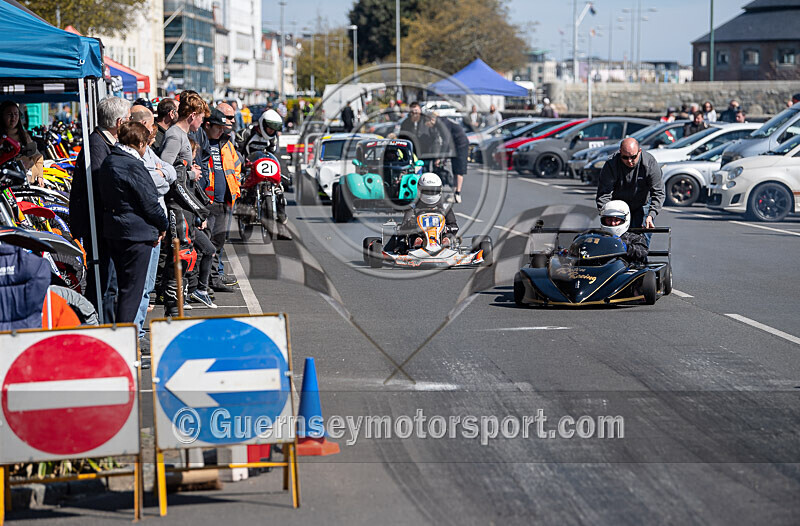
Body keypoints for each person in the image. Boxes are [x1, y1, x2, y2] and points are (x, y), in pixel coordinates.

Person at [98, 121, 168, 323]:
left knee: (121, 287)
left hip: (114, 230)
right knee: (132, 292)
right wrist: (163, 225)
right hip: (136, 233)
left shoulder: (110, 161)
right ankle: (126, 339)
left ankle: (119, 335)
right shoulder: (133, 165)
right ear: (138, 142)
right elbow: (150, 203)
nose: (147, 148)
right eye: (146, 143)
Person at [69, 96, 131, 321]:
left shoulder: (106, 142)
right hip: (98, 225)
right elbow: (101, 183)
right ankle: (99, 327)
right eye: (129, 119)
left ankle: (106, 326)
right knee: (102, 282)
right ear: (119, 122)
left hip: (106, 225)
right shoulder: (97, 144)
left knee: (109, 282)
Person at [129, 104, 177, 340]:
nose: (153, 130)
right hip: (147, 226)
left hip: (156, 225)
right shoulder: (133, 151)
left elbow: (168, 173)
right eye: (149, 125)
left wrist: (162, 174)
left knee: (146, 286)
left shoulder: (147, 150)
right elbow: (151, 183)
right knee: (139, 286)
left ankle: (138, 330)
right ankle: (135, 334)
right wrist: (161, 175)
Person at [596, 137, 665, 233]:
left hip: (642, 204)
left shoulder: (650, 163)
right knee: (616, 237)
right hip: (618, 207)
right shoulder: (611, 164)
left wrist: (651, 215)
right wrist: (607, 215)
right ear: (620, 152)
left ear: (639, 151)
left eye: (633, 157)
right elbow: (604, 193)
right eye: (625, 157)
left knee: (641, 239)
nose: (629, 161)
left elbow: (659, 192)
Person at [397, 172, 458, 249]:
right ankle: (417, 242)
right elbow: (403, 228)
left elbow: (455, 227)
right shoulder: (413, 207)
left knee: (448, 236)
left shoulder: (445, 207)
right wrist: (411, 225)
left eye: (433, 191)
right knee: (414, 235)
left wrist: (445, 228)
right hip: (420, 239)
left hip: (441, 236)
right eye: (427, 191)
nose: (430, 193)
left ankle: (446, 241)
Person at [425, 113, 468, 203]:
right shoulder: (440, 122)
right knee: (454, 169)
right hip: (454, 146)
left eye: (427, 122)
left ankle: (458, 193)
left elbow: (446, 141)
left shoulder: (442, 123)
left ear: (432, 119)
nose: (427, 125)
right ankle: (454, 192)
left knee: (459, 170)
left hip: (461, 144)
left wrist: (440, 158)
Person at [0, 100, 44, 186]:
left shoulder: (24, 136)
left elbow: (37, 157)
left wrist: (40, 176)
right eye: (9, 114)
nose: (13, 118)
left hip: (28, 181)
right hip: (7, 182)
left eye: (16, 114)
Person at [598, 200, 648, 264]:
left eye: (616, 220)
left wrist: (624, 247)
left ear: (624, 219)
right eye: (609, 220)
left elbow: (642, 252)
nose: (613, 223)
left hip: (625, 270)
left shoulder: (635, 238)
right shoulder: (600, 237)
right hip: (604, 270)